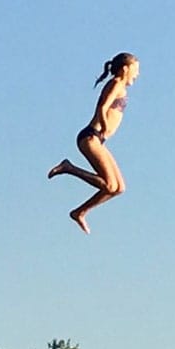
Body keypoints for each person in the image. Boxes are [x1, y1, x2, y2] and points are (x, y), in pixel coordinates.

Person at [48, 53, 141, 234]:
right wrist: (105, 126)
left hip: (98, 140)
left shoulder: (121, 87)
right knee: (109, 186)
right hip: (91, 137)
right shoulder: (116, 84)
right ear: (125, 69)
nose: (137, 75)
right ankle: (69, 168)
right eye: (136, 70)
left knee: (119, 188)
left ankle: (79, 212)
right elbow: (102, 107)